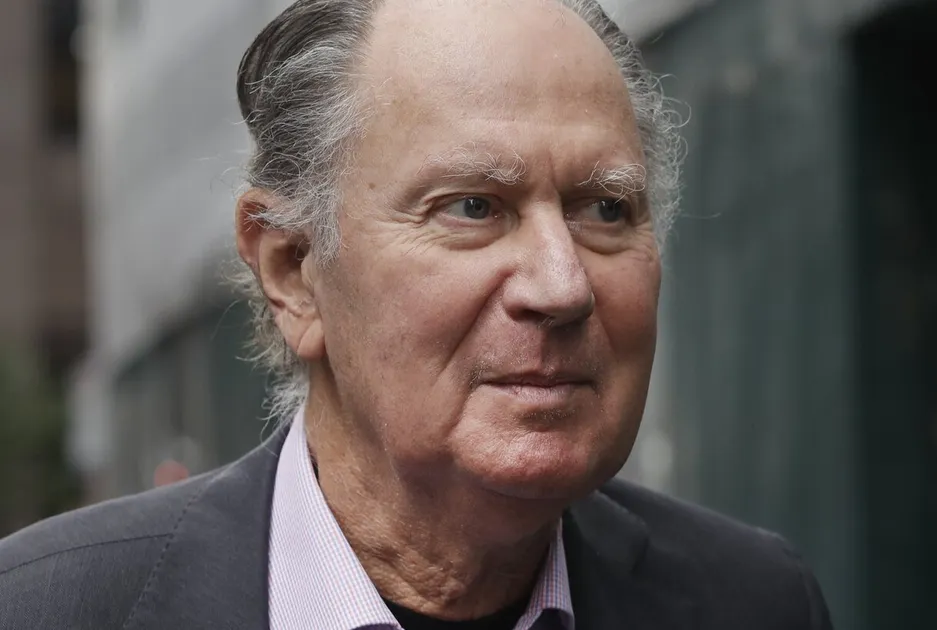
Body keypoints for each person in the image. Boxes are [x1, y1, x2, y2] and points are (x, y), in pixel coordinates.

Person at [0, 1, 833, 628]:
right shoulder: (45, 609)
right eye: (473, 207)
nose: (562, 284)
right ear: (293, 271)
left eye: (605, 209)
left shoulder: (753, 603)